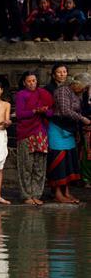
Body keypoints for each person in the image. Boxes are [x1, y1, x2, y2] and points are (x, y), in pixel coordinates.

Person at [48, 74, 91, 203]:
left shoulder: (76, 94)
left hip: (69, 131)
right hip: (58, 129)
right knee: (59, 162)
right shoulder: (63, 91)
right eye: (83, 88)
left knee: (69, 162)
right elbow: (65, 110)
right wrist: (83, 119)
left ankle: (66, 192)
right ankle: (57, 193)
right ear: (76, 84)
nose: (84, 91)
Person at [14, 72, 54, 205]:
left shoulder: (42, 94)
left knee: (39, 166)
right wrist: (34, 111)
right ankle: (26, 195)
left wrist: (44, 111)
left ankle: (37, 194)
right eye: (29, 81)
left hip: (40, 134)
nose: (32, 83)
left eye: (34, 80)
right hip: (26, 133)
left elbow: (51, 112)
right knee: (26, 165)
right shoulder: (21, 95)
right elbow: (19, 114)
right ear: (24, 83)